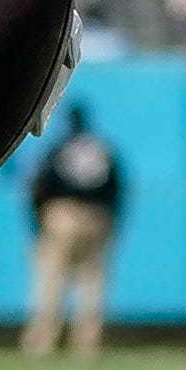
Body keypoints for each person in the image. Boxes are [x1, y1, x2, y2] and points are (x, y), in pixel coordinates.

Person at [24, 100, 125, 356]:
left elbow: (38, 185)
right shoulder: (102, 149)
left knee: (50, 278)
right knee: (91, 282)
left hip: (62, 214)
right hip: (97, 217)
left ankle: (42, 341)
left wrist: (38, 222)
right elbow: (118, 188)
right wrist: (111, 221)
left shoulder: (59, 147)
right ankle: (87, 343)